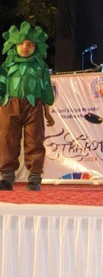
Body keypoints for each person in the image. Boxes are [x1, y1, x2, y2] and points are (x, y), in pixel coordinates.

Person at [0, 22, 55, 191]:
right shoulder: (7, 65)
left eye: (30, 44)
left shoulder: (40, 67)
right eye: (22, 44)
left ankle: (34, 178)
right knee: (8, 139)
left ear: (35, 47)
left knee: (35, 139)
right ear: (15, 46)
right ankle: (7, 178)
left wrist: (47, 112)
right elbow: (1, 86)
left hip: (33, 106)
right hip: (10, 105)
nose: (25, 47)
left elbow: (45, 89)